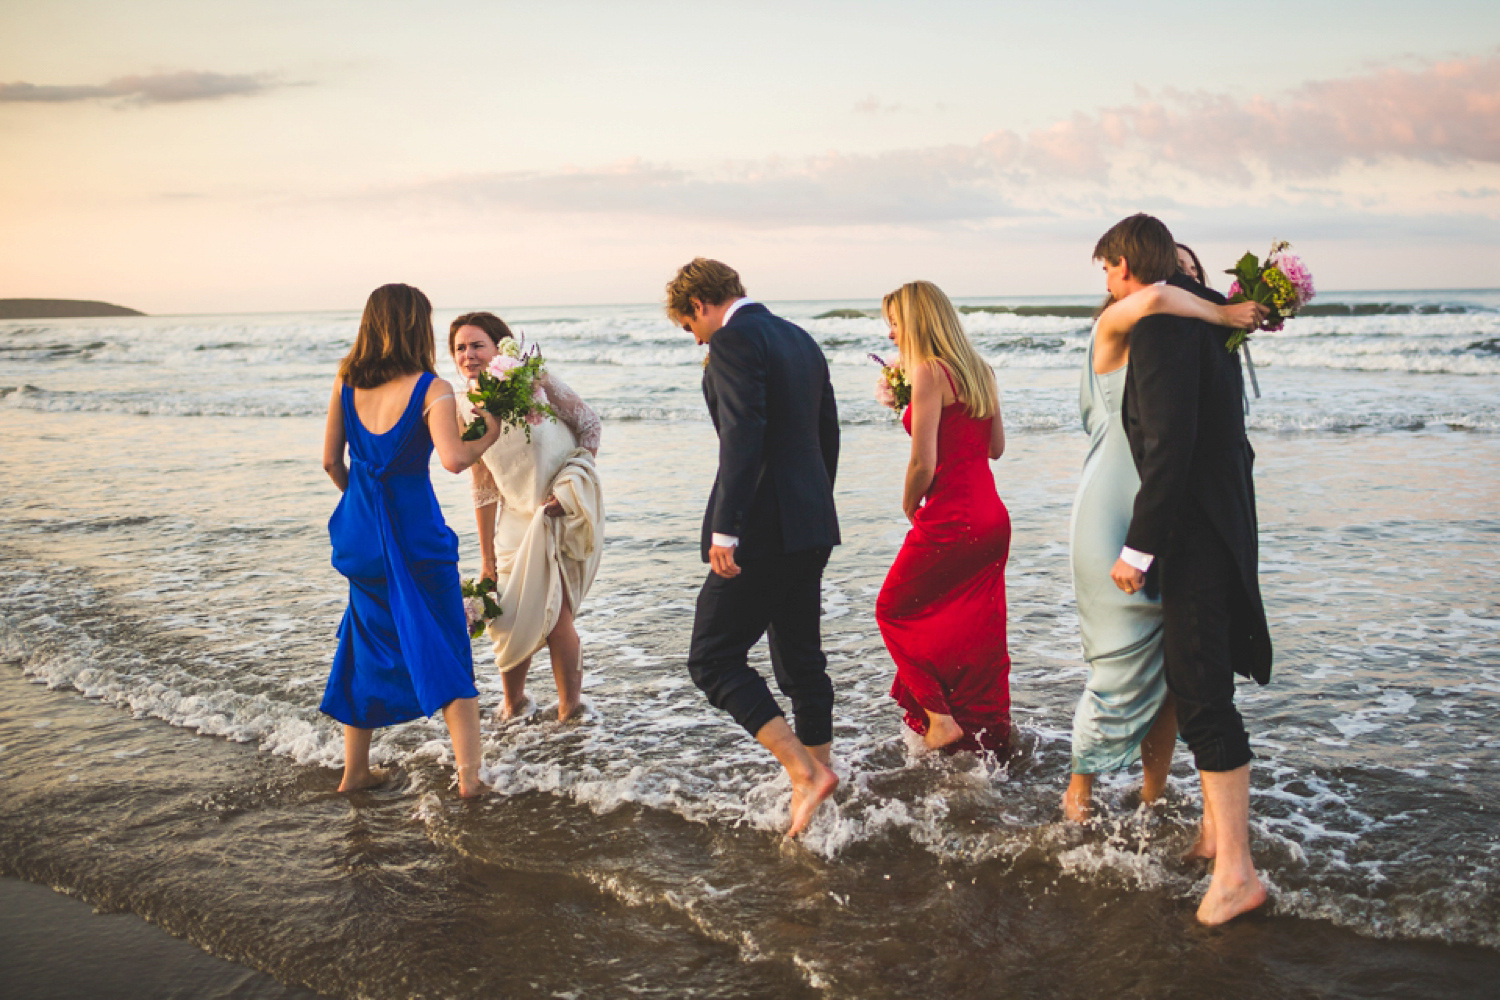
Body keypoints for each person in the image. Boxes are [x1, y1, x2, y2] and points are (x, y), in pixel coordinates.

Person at [1098, 214, 1274, 925]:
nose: (1107, 282)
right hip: (1221, 525)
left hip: (1193, 534)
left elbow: (1170, 444)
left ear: (1132, 268)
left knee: (1201, 693)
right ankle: (1213, 836)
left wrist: (1137, 549)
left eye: (1109, 268)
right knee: (1195, 679)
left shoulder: (1167, 327)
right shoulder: (1209, 331)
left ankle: (1237, 874)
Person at [1065, 249, 1266, 821]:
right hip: (1114, 506)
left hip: (1168, 507)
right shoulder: (1122, 321)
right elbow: (1152, 297)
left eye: (1191, 272)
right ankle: (1078, 789)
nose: (1181, 281)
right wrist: (1226, 312)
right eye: (1169, 270)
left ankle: (1154, 791)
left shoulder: (1190, 342)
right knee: (1117, 655)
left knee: (1174, 669)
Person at [667, 258, 841, 838]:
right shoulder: (800, 338)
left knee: (712, 657)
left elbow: (742, 434)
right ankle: (823, 777)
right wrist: (814, 504)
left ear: (699, 305)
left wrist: (726, 529)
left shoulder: (734, 340)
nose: (696, 339)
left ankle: (803, 773)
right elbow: (827, 433)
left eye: (689, 327)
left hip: (761, 527)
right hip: (810, 521)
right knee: (800, 658)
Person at [320, 283, 503, 798]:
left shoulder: (346, 381)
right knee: (445, 644)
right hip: (416, 537)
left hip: (363, 539)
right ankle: (470, 780)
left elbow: (333, 461)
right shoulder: (432, 388)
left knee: (362, 645)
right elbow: (454, 459)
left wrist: (363, 504)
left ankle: (353, 772)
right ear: (415, 327)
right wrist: (490, 425)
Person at [874, 281, 1011, 753]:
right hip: (991, 516)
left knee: (892, 609)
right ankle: (988, 734)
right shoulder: (980, 370)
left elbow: (924, 464)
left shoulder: (930, 372)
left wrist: (909, 502)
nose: (891, 334)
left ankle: (940, 719)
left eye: (894, 323)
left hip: (953, 515)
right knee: (975, 629)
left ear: (915, 322)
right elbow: (995, 448)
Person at [450, 312, 603, 724]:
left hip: (558, 512)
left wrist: (575, 485)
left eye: (477, 345)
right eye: (460, 348)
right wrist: (485, 560)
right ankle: (513, 704)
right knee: (506, 616)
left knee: (556, 616)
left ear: (500, 347)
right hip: (514, 520)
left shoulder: (535, 381)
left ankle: (570, 710)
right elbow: (483, 486)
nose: (468, 355)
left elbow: (589, 425)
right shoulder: (463, 408)